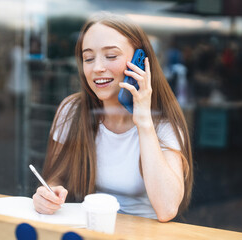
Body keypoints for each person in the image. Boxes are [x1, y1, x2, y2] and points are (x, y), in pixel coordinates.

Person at [33, 12, 193, 222]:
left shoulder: (162, 124)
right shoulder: (71, 110)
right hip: (91, 228)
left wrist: (144, 120)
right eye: (88, 58)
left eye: (111, 56)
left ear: (140, 61)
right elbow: (55, 176)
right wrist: (48, 194)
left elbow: (167, 209)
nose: (97, 68)